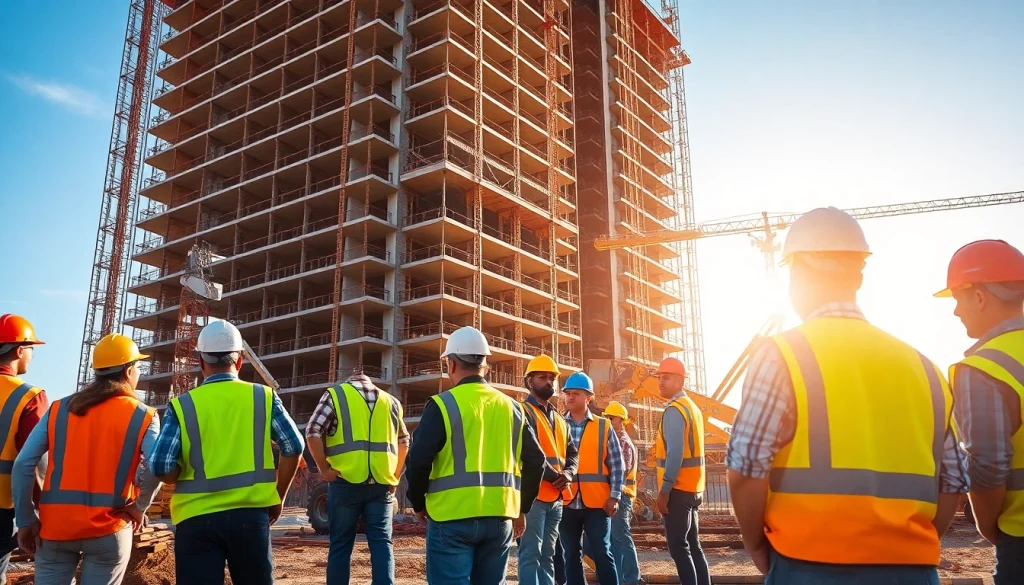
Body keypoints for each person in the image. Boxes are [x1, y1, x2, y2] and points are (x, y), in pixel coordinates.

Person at [726, 207, 967, 584]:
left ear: (801, 270)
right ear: (858, 273)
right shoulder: (925, 367)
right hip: (911, 568)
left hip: (808, 562)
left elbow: (746, 468)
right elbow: (952, 480)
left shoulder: (784, 354)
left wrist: (756, 546)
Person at [150, 319, 304, 584]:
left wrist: (180, 474)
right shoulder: (263, 397)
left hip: (196, 519)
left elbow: (162, 466)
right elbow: (294, 446)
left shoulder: (183, 405)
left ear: (201, 362)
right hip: (250, 515)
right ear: (240, 361)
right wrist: (277, 495)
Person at [13, 333, 161, 585]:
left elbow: (23, 464)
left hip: (55, 530)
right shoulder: (144, 415)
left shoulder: (59, 409)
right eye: (138, 366)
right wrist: (138, 508)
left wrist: (26, 519)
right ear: (128, 372)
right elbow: (155, 468)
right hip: (110, 528)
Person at [404, 326, 545, 585]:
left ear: (452, 364)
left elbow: (418, 460)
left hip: (451, 518)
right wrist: (521, 508)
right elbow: (537, 461)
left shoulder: (442, 405)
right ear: (485, 365)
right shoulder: (513, 408)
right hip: (500, 518)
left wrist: (418, 503)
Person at [936, 239, 1024, 584]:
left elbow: (988, 464)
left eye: (957, 298)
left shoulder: (985, 368)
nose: (957, 311)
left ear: (980, 296)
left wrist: (989, 527)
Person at [305, 372, 410, 585]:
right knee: (382, 543)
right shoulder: (391, 401)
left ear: (349, 381)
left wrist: (324, 468)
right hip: (382, 484)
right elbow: (404, 441)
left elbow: (312, 430)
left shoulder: (336, 395)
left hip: (345, 481)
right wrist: (395, 476)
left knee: (341, 545)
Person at [518, 355, 578, 585]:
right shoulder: (523, 412)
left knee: (548, 556)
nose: (549, 382)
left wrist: (569, 474)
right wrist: (557, 477)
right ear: (528, 381)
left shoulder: (560, 420)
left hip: (555, 499)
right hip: (533, 498)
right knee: (530, 555)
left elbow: (573, 453)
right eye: (542, 377)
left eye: (552, 378)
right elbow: (530, 455)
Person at [559, 372, 621, 585]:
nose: (570, 398)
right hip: (566, 501)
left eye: (575, 393)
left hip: (598, 503)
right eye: (567, 393)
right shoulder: (557, 424)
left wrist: (615, 496)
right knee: (571, 556)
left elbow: (616, 464)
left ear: (589, 397)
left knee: (602, 552)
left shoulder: (604, 426)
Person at [0, 314, 47, 585]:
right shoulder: (29, 396)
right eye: (31, 349)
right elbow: (34, 462)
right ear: (19, 350)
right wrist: (39, 514)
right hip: (2, 507)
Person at [654, 357, 708, 585]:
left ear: (679, 380)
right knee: (693, 546)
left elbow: (675, 454)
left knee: (679, 548)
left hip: (678, 490)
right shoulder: (692, 408)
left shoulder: (675, 410)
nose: (660, 382)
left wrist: (665, 490)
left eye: (666, 378)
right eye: (660, 378)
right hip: (693, 489)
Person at [602, 401, 642, 585]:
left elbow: (620, 472)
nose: (608, 420)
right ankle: (618, 578)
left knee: (621, 537)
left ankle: (632, 578)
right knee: (614, 539)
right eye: (606, 417)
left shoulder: (623, 443)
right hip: (618, 494)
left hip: (622, 495)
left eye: (611, 418)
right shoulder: (615, 441)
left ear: (622, 420)